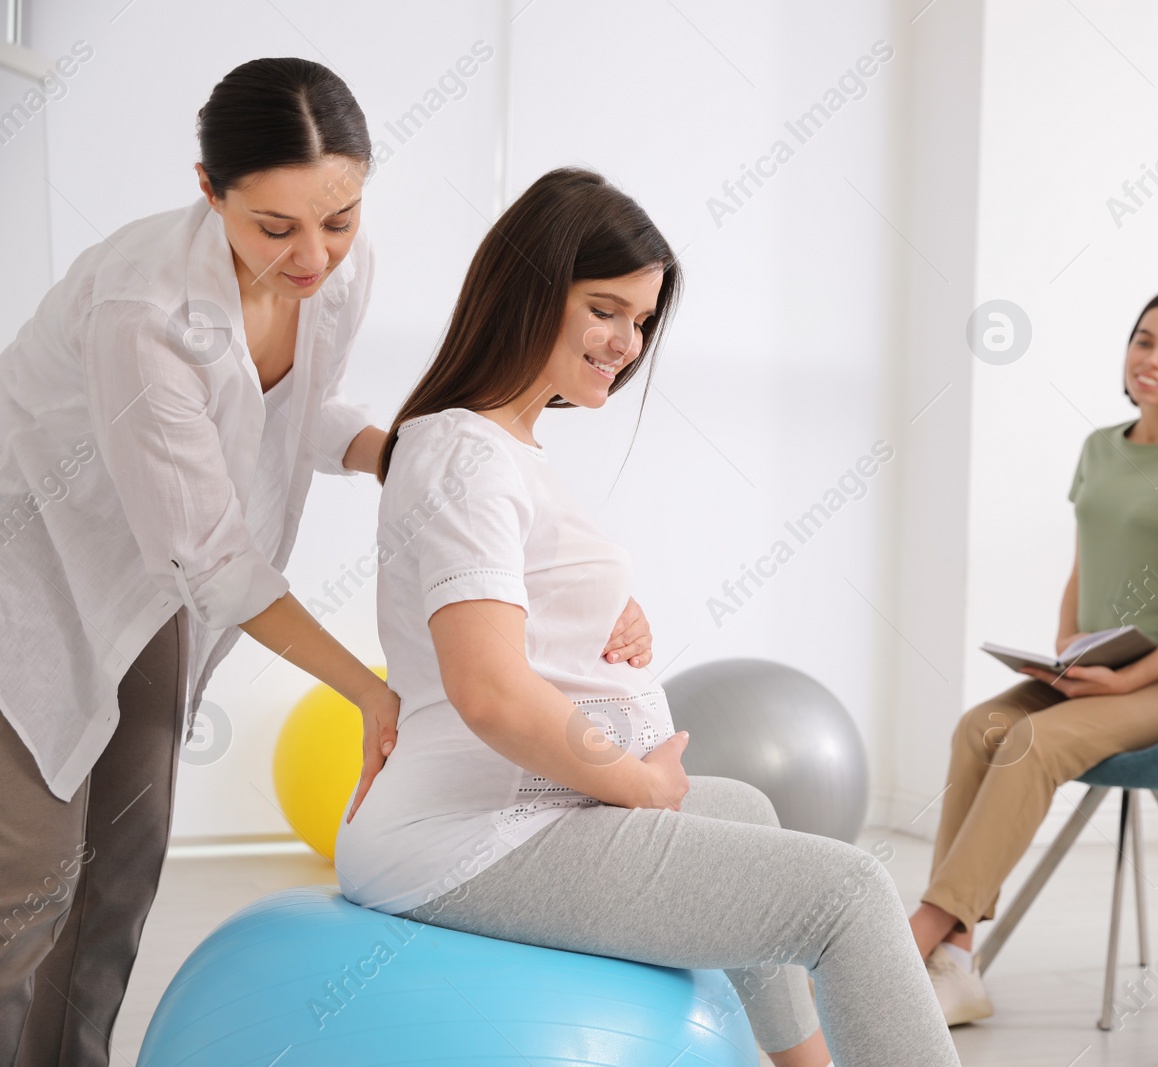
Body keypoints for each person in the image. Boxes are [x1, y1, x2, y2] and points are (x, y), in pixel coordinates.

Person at [334, 166, 961, 1067]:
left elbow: (512, 606)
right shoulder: (465, 450)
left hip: (519, 806)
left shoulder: (493, 445)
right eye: (605, 309)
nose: (626, 342)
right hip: (472, 833)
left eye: (641, 320)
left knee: (741, 805)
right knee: (851, 890)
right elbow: (490, 691)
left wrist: (604, 609)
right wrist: (636, 780)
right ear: (530, 287)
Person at [0, 58, 404, 1067]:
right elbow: (213, 554)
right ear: (207, 189)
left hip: (153, 584)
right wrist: (365, 689)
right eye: (276, 228)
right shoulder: (143, 309)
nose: (315, 256)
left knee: (123, 863)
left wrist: (387, 453)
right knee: (28, 875)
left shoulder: (337, 272)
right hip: (31, 565)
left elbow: (295, 411)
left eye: (340, 218)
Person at [907, 288, 1158, 1025]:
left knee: (1032, 739)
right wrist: (1067, 651)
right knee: (979, 728)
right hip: (1099, 670)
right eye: (1144, 340)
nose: (1153, 360)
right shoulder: (1101, 447)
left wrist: (1129, 678)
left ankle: (917, 933)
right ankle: (960, 961)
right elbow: (1084, 566)